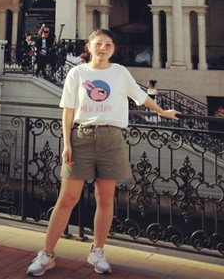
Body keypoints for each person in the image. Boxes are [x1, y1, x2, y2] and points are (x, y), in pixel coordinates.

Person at [26, 29, 180, 277]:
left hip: (112, 138)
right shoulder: (77, 73)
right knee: (67, 198)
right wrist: (67, 143)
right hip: (82, 136)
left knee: (106, 199)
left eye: (108, 44)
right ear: (89, 46)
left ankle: (97, 250)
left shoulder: (120, 72)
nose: (103, 48)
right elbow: (68, 110)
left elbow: (140, 97)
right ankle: (47, 253)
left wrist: (162, 112)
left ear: (113, 49)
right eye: (98, 43)